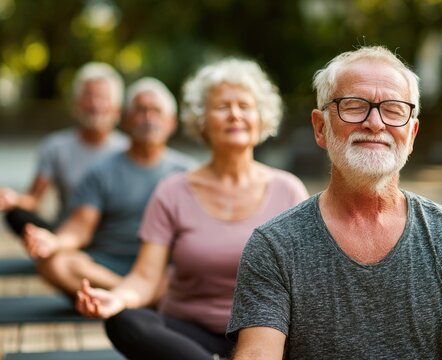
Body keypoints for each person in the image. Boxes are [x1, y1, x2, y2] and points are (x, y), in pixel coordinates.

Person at [226, 46, 442, 359]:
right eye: (353, 106)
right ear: (320, 127)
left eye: (393, 109)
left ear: (412, 134)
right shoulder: (274, 245)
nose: (375, 123)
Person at [76, 58, 309, 360]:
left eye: (245, 106)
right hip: (186, 336)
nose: (235, 114)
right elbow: (145, 277)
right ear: (202, 119)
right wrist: (116, 299)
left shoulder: (288, 190)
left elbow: (305, 287)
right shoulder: (173, 190)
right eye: (223, 106)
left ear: (260, 117)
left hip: (264, 336)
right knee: (126, 321)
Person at [22, 77, 196, 296]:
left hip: (161, 267)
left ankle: (127, 296)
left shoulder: (189, 173)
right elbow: (80, 227)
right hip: (106, 266)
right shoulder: (101, 171)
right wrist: (54, 242)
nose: (148, 118)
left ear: (172, 122)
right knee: (52, 263)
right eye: (141, 111)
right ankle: (137, 296)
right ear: (126, 120)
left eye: (156, 111)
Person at [0, 62, 129, 236]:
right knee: (16, 215)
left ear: (117, 108)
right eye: (88, 96)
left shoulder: (128, 149)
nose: (95, 105)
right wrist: (13, 199)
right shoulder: (55, 146)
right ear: (76, 103)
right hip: (66, 231)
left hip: (111, 236)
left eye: (102, 97)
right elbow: (34, 199)